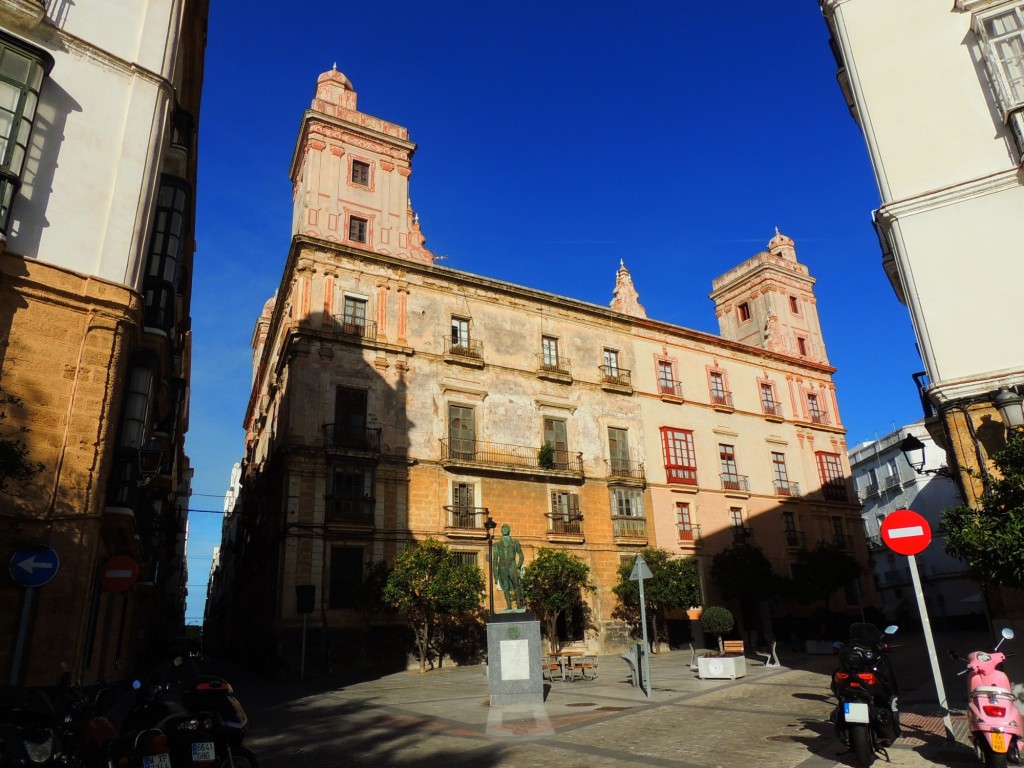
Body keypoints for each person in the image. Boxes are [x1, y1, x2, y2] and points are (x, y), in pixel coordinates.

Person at [491, 523, 525, 611]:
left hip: (512, 565)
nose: (505, 530)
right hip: (502, 566)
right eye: (503, 528)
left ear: (509, 530)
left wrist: (519, 564)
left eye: (506, 528)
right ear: (501, 531)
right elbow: (495, 559)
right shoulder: (497, 544)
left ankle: (518, 604)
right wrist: (495, 573)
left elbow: (521, 555)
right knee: (505, 587)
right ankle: (509, 606)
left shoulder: (515, 542)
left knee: (516, 585)